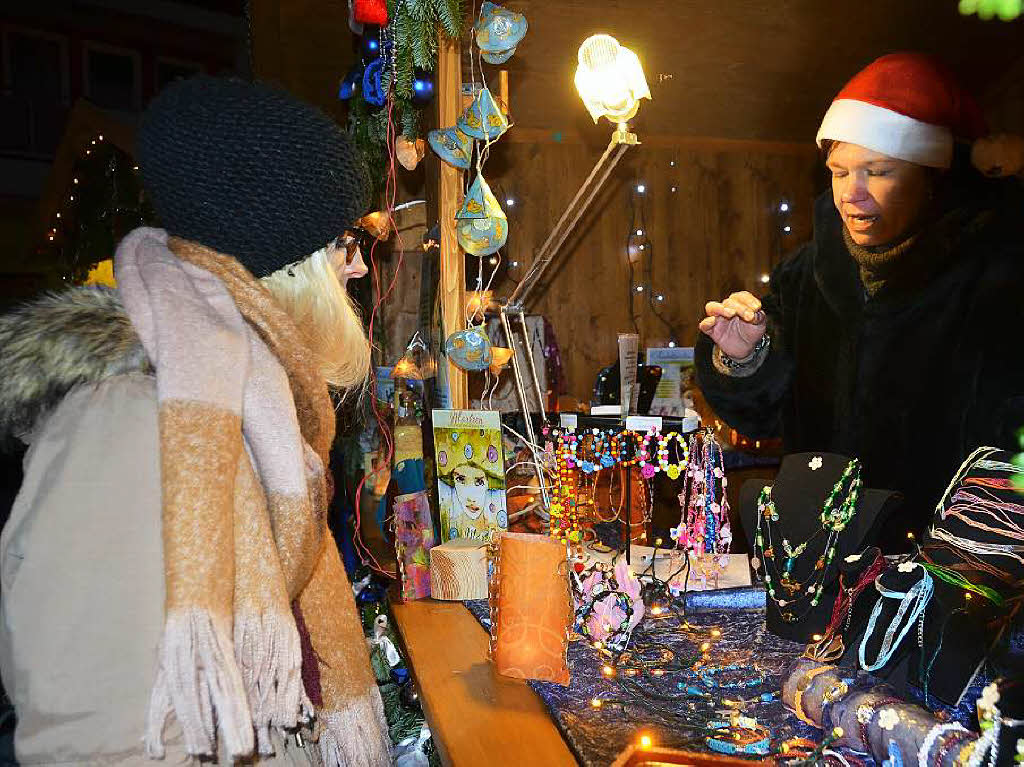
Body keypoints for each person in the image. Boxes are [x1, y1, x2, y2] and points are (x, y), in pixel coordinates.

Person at [0, 77, 390, 764]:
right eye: (345, 242)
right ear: (283, 261)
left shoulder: (254, 410)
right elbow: (96, 742)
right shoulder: (127, 425)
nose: (358, 267)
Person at [696, 53, 1024, 541]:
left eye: (879, 171)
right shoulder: (803, 275)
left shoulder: (998, 277)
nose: (852, 192)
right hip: (817, 564)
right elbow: (758, 416)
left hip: (947, 574)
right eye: (840, 171)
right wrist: (743, 358)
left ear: (929, 176)